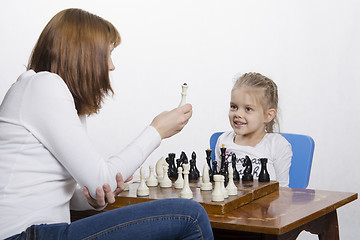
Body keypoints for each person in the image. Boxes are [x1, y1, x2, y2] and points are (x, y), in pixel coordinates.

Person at [0, 8, 213, 240]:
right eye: (108, 54)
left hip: (40, 232)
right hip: (21, 236)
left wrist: (93, 199)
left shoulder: (47, 92)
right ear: (83, 54)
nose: (112, 66)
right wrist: (158, 130)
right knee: (189, 215)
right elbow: (104, 177)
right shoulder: (44, 86)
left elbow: (64, 192)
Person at [215, 72, 292, 187]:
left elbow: (282, 190)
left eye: (248, 109)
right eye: (234, 107)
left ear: (268, 115)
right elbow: (217, 182)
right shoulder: (223, 141)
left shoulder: (277, 145)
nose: (238, 114)